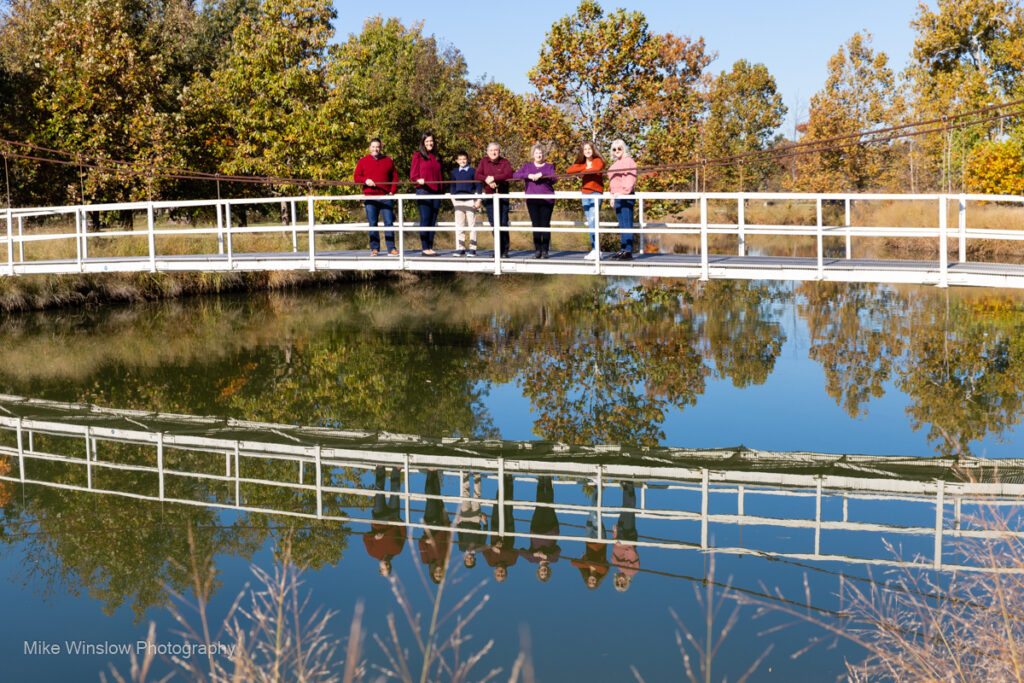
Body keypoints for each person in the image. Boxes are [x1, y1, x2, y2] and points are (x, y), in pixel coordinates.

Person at [353, 138, 398, 256]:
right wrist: (365, 180)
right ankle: (375, 248)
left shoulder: (388, 160)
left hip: (385, 197)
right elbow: (356, 177)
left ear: (380, 148)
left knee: (389, 223)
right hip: (370, 197)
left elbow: (395, 178)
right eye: (373, 147)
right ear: (369, 148)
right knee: (373, 223)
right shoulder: (363, 161)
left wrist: (392, 192)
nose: (375, 149)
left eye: (377, 147)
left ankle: (391, 248)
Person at [513, 144, 557, 259]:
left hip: (546, 200)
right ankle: (537, 250)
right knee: (536, 225)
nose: (539, 155)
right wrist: (528, 175)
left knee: (545, 224)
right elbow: (515, 175)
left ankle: (545, 251)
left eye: (541, 153)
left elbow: (554, 178)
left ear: (544, 155)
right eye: (537, 153)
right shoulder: (527, 166)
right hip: (532, 200)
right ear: (533, 155)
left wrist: (542, 174)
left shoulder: (549, 166)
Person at [363, 465, 406, 577]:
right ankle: (397, 469)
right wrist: (399, 522)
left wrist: (374, 537)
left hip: (379, 519)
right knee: (395, 492)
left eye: (384, 568)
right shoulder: (397, 550)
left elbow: (365, 537)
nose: (386, 566)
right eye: (388, 567)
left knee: (379, 491)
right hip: (393, 518)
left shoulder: (372, 552)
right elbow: (403, 534)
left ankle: (380, 468)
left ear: (380, 567)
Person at [565, 142, 605, 260]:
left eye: (589, 149)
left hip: (595, 193)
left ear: (593, 150)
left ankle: (596, 250)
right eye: (585, 149)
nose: (587, 151)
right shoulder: (582, 163)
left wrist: (581, 172)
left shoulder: (598, 160)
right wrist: (584, 168)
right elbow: (569, 170)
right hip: (585, 193)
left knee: (593, 221)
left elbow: (596, 168)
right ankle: (595, 249)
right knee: (590, 221)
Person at [474, 143, 514, 258]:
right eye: (491, 150)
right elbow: (477, 175)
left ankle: (505, 250)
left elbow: (509, 174)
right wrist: (487, 179)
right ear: (487, 152)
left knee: (503, 223)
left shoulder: (505, 162)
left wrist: (495, 178)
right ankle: (498, 249)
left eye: (495, 150)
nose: (493, 152)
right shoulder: (483, 161)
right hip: (490, 198)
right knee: (494, 224)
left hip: (502, 197)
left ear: (499, 152)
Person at [519, 475, 561, 583]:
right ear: (549, 571)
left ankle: (541, 480)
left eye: (542, 573)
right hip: (551, 528)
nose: (544, 572)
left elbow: (520, 551)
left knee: (539, 504)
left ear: (538, 571)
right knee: (549, 504)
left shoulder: (532, 559)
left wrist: (533, 554)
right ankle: (548, 479)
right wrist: (546, 556)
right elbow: (558, 549)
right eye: (545, 573)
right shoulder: (553, 559)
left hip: (536, 529)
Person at [571, 483, 609, 590]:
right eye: (594, 582)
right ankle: (598, 487)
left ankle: (597, 487)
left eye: (589, 582)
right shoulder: (602, 571)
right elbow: (600, 567)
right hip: (599, 541)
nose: (592, 580)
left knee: (592, 512)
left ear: (587, 579)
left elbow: (573, 563)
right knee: (595, 515)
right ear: (597, 581)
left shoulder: (585, 569)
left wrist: (586, 564)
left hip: (588, 539)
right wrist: (586, 562)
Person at [410, 133, 442, 256]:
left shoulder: (437, 157)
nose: (430, 143)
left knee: (433, 221)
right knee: (425, 219)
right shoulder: (418, 156)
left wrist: (441, 192)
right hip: (424, 190)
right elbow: (413, 175)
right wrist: (418, 180)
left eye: (431, 141)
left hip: (436, 192)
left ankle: (430, 247)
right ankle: (425, 248)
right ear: (423, 142)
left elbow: (440, 175)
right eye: (427, 141)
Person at [419, 469, 452, 584]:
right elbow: (448, 539)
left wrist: (427, 541)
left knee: (430, 497)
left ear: (432, 573)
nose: (438, 573)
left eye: (436, 575)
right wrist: (448, 523)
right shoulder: (445, 558)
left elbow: (420, 543)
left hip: (431, 524)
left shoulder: (426, 560)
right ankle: (435, 470)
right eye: (440, 575)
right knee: (437, 495)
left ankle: (430, 471)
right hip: (442, 523)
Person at [607, 139, 638, 261]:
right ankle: (623, 249)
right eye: (614, 149)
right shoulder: (614, 165)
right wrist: (612, 195)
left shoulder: (628, 161)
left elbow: (630, 179)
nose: (617, 151)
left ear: (624, 149)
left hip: (625, 196)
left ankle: (628, 251)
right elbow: (613, 182)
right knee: (622, 225)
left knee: (627, 224)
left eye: (619, 148)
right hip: (617, 197)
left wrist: (623, 193)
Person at [485, 474, 517, 582]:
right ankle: (510, 480)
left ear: (494, 572)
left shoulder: (490, 562)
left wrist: (493, 548)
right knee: (508, 506)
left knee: (497, 505)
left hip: (495, 530)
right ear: (506, 573)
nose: (500, 573)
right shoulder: (512, 562)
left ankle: (502, 479)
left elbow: (484, 550)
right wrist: (500, 552)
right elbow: (515, 552)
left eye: (498, 575)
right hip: (509, 531)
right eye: (502, 575)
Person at [450, 151, 482, 257]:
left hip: (469, 200)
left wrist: (479, 200)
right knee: (460, 226)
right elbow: (452, 188)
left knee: (472, 225)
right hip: (458, 201)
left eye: (464, 159)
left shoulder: (473, 171)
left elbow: (478, 186)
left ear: (467, 160)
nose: (462, 161)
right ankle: (461, 248)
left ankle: (472, 249)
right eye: (460, 159)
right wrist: (453, 201)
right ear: (457, 161)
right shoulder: (454, 172)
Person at [454, 471, 488, 570]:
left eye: (467, 561)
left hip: (464, 520)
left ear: (464, 559)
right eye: (471, 561)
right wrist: (485, 522)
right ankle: (477, 475)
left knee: (465, 495)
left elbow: (460, 534)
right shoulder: (478, 548)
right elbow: (485, 534)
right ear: (474, 559)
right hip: (475, 521)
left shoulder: (461, 548)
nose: (469, 559)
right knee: (476, 497)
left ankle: (465, 474)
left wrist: (457, 524)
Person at [611, 481, 640, 592]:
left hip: (620, 534)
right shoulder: (632, 571)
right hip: (628, 536)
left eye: (618, 583)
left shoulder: (617, 565)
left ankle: (625, 486)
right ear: (627, 582)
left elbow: (615, 547)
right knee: (630, 509)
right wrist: (622, 543)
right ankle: (630, 485)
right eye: (623, 584)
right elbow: (631, 550)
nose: (620, 581)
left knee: (624, 508)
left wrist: (614, 533)